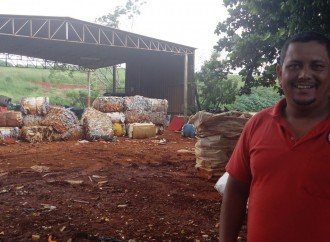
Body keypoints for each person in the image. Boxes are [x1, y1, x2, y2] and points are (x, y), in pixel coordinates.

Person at [219, 31, 330, 242]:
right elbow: (235, 190)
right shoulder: (257, 124)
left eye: (317, 66)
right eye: (294, 65)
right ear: (280, 73)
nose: (304, 74)